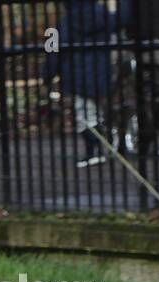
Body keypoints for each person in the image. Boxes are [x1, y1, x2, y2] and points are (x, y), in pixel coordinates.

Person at [44, 0, 120, 167]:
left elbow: (54, 51)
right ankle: (102, 148)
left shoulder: (66, 22)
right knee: (96, 112)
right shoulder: (105, 15)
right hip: (102, 72)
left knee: (84, 116)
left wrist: (47, 75)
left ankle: (94, 151)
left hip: (77, 74)